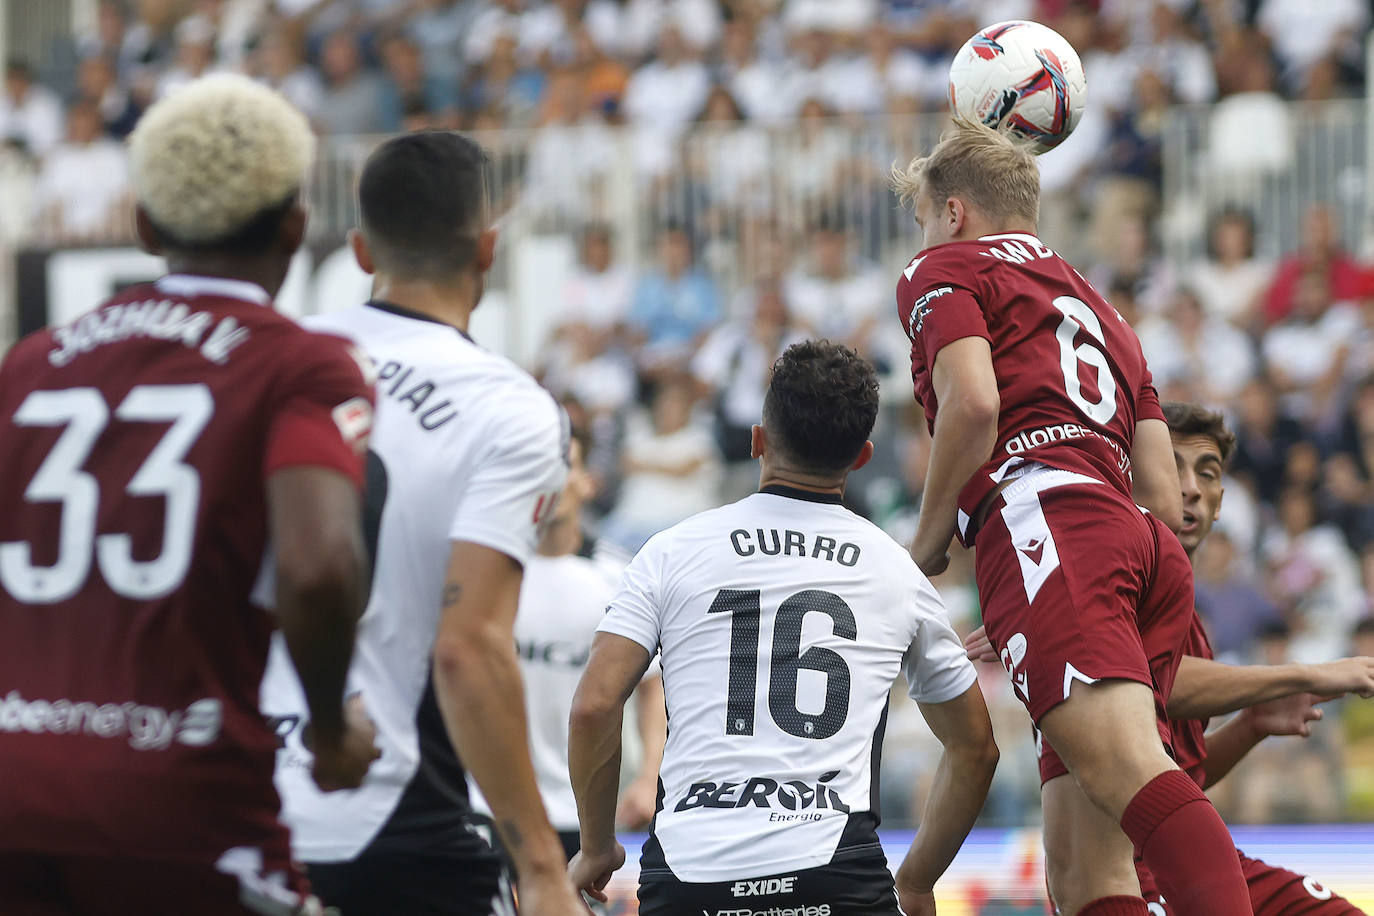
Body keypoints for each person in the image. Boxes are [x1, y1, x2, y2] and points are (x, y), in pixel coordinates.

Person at [0, 74, 378, 914]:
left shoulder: (30, 364)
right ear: (296, 224)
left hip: (12, 791)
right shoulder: (299, 362)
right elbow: (318, 568)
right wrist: (327, 728)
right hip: (178, 798)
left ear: (141, 224)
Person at [891, 119, 1251, 916]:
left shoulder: (941, 266)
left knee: (1132, 774)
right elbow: (1164, 492)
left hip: (1048, 520)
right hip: (1139, 543)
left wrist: (927, 540)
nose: (921, 235)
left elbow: (975, 403)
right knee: (1087, 866)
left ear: (952, 212)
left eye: (922, 217)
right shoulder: (1102, 309)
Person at [259, 131, 584, 916]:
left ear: (360, 251)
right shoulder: (508, 407)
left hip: (249, 800)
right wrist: (541, 869)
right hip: (393, 811)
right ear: (488, 248)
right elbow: (466, 648)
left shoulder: (274, 363)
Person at [568, 340, 999, 916]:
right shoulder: (897, 572)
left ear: (757, 441)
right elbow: (976, 749)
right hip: (835, 878)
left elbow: (595, 705)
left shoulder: (669, 552)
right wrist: (917, 880)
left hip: (691, 876)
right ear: (863, 457)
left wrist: (596, 846)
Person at [971, 402, 1374, 914]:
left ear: (1221, 500)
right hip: (1125, 875)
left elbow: (1180, 781)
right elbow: (1155, 679)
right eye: (1171, 466)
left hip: (1184, 859)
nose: (1188, 487)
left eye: (1205, 473)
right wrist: (1300, 673)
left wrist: (1250, 725)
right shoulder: (1096, 582)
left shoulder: (1189, 617)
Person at [470, 430, 667, 855]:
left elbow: (653, 687)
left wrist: (650, 777)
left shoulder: (619, 575)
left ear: (587, 482)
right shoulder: (486, 570)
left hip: (583, 814)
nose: (553, 480)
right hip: (489, 807)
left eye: (566, 467)